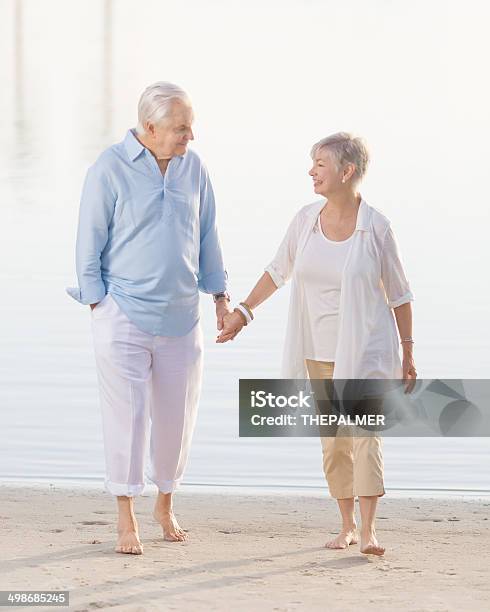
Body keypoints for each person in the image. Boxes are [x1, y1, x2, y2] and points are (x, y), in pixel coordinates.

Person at [217, 132, 416, 556]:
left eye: (320, 164)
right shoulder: (306, 220)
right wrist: (243, 314)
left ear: (347, 172)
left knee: (365, 438)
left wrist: (409, 352)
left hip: (365, 353)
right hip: (318, 354)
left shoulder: (377, 228)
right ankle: (345, 525)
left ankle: (369, 531)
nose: (312, 171)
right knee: (334, 443)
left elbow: (400, 294)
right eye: (313, 163)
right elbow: (277, 270)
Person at [67, 81, 231, 555]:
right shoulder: (109, 169)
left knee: (177, 418)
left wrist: (219, 296)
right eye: (181, 129)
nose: (191, 136)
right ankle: (125, 517)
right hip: (123, 314)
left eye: (190, 126)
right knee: (127, 417)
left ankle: (164, 503)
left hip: (182, 317)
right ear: (151, 127)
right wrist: (100, 304)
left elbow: (208, 236)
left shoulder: (193, 169)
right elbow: (88, 242)